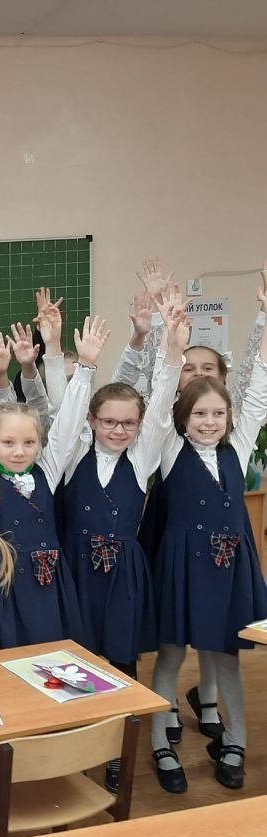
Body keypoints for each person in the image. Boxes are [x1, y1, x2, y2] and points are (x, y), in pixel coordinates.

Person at [59, 299, 187, 791]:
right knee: (76, 665)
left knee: (122, 665)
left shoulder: (142, 457)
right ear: (93, 421)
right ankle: (76, 747)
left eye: (128, 423)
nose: (119, 430)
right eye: (109, 421)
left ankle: (117, 750)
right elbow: (68, 415)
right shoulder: (73, 454)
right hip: (77, 572)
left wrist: (171, 352)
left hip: (124, 575)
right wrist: (85, 368)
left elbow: (161, 407)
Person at [149, 288, 267, 793]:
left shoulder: (236, 447)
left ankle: (235, 742)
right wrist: (169, 342)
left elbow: (257, 393)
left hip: (230, 566)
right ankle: (160, 740)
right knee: (171, 655)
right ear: (184, 418)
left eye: (218, 414)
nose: (210, 422)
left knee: (226, 657)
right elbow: (159, 397)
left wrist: (263, 316)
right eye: (200, 414)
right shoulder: (169, 448)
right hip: (181, 564)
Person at [0, 311, 110, 649]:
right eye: (8, 443)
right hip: (4, 590)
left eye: (29, 443)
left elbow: (68, 426)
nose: (19, 451)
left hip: (49, 587)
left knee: (54, 660)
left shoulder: (46, 471)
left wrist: (85, 368)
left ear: (40, 443)